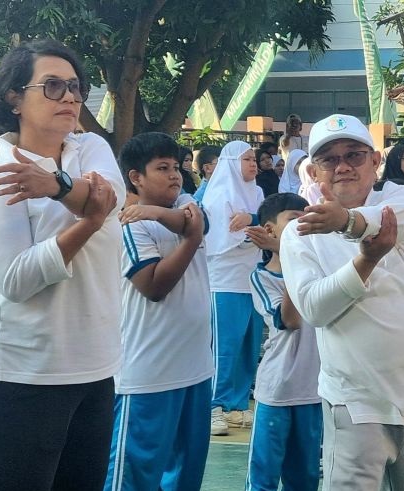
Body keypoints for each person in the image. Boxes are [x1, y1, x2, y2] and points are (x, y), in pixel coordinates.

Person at [0, 39, 124, 490]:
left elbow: (110, 202)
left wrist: (54, 185)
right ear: (13, 98)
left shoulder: (90, 147)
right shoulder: (0, 173)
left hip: (96, 365)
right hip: (26, 370)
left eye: (76, 87)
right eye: (53, 86)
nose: (71, 98)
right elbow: (15, 280)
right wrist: (86, 222)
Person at [279, 114, 404, 491]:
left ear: (375, 162)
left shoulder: (402, 200)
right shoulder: (298, 232)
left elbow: (387, 221)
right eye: (329, 159)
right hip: (357, 405)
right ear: (313, 171)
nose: (343, 166)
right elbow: (313, 309)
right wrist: (366, 259)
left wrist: (346, 222)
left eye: (354, 155)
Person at [104, 132, 213, 491]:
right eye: (162, 168)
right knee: (133, 477)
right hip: (149, 372)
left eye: (176, 166)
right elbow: (153, 286)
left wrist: (159, 213)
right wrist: (191, 239)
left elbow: (197, 221)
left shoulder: (181, 203)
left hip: (195, 368)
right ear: (136, 177)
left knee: (186, 475)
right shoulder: (129, 224)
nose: (174, 175)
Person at [244, 193, 322, 491]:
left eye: (306, 218)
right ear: (269, 230)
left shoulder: (319, 268)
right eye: (293, 218)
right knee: (263, 478)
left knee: (304, 480)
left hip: (312, 392)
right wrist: (291, 256)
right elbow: (290, 320)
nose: (302, 224)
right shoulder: (261, 277)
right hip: (277, 391)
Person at [201, 141, 264, 436]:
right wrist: (254, 229)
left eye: (254, 159)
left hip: (251, 280)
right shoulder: (218, 195)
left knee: (248, 345)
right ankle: (213, 406)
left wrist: (251, 222)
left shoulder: (258, 194)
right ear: (231, 163)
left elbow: (264, 226)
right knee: (224, 347)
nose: (253, 163)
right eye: (247, 159)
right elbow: (222, 239)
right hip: (225, 280)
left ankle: (237, 405)